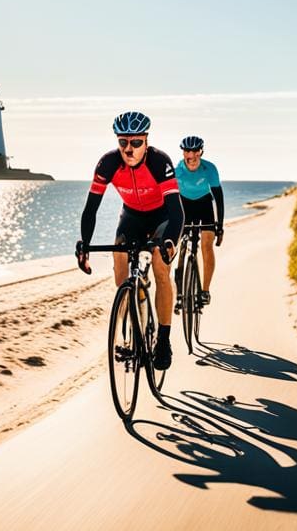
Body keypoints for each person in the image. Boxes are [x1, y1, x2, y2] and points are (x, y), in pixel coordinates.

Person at [76, 111, 184, 370]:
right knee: (121, 269)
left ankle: (163, 340)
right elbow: (91, 209)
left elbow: (177, 210)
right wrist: (85, 245)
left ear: (146, 141)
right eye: (123, 142)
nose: (129, 148)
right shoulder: (107, 164)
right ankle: (134, 321)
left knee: (160, 268)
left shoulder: (159, 162)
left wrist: (169, 242)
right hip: (132, 217)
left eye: (136, 143)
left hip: (162, 217)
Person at [173, 135, 224, 309]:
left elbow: (218, 198)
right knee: (179, 248)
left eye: (196, 151)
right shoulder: (176, 171)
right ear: (183, 153)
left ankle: (205, 290)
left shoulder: (209, 169)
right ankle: (179, 293)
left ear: (201, 152)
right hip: (184, 207)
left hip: (204, 205)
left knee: (206, 246)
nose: (192, 155)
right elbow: (169, 199)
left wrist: (220, 226)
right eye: (188, 151)